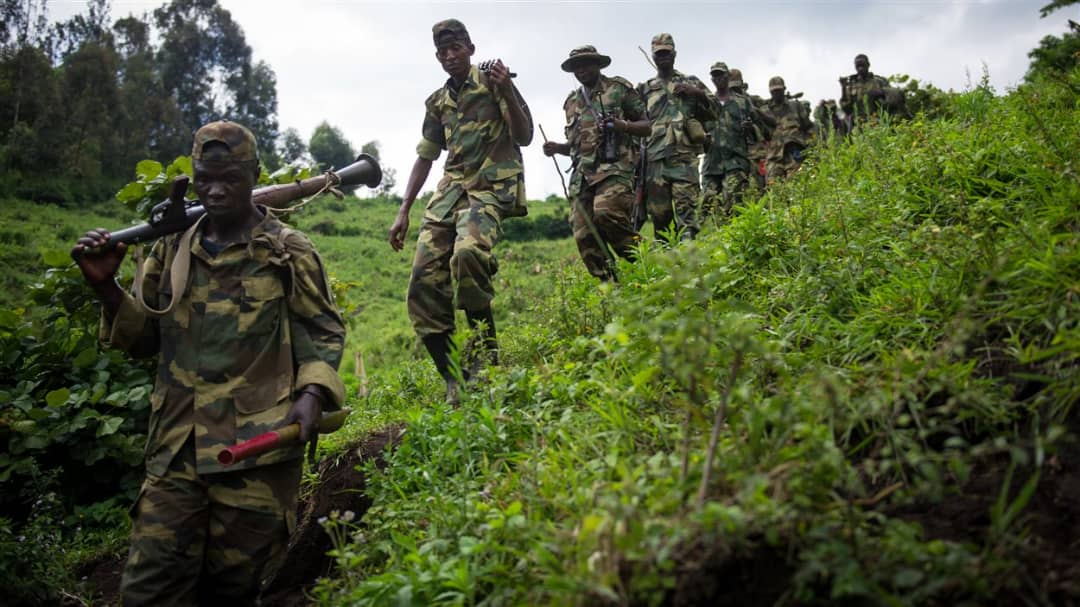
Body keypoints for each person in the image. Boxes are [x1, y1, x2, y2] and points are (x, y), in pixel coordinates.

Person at [71, 120, 346, 605]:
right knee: (147, 592)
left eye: (230, 179)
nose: (215, 191)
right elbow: (143, 340)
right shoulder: (171, 248)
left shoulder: (288, 251)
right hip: (176, 451)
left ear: (254, 175)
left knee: (232, 593)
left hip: (256, 456)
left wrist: (312, 395)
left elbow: (323, 330)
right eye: (205, 179)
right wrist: (106, 288)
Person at [388, 19, 532, 403]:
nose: (450, 56)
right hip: (449, 196)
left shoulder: (494, 82)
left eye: (456, 48)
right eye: (443, 51)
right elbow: (425, 156)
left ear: (470, 48)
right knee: (422, 283)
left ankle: (486, 353)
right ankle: (453, 377)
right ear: (437, 57)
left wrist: (507, 88)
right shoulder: (438, 102)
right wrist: (403, 211)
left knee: (468, 254)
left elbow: (525, 136)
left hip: (489, 190)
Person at [543, 45, 650, 281]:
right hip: (582, 175)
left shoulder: (618, 89)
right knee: (583, 233)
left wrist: (623, 126)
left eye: (586, 63)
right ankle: (610, 285)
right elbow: (578, 146)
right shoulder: (571, 102)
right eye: (576, 66)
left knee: (607, 214)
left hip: (615, 168)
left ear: (598, 64)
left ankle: (650, 262)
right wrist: (558, 148)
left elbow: (646, 126)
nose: (581, 69)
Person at [637, 32, 714, 241]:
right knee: (660, 218)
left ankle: (689, 257)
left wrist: (696, 93)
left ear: (674, 54)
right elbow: (635, 123)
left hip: (684, 159)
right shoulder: (644, 89)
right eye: (659, 53)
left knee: (686, 213)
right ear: (653, 56)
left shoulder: (691, 82)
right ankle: (667, 259)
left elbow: (717, 110)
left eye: (666, 53)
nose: (663, 57)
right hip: (655, 161)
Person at [701, 61, 772, 222]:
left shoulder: (742, 102)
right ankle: (716, 232)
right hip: (712, 162)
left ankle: (734, 232)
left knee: (733, 203)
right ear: (711, 79)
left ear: (728, 76)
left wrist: (750, 129)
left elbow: (762, 130)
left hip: (735, 161)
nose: (718, 78)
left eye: (721, 75)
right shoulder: (707, 103)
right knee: (707, 202)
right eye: (715, 75)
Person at [762, 76, 814, 184]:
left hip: (794, 153)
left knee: (797, 184)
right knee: (774, 187)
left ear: (784, 89)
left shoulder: (795, 106)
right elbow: (762, 135)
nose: (776, 93)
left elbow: (808, 127)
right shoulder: (765, 111)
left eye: (779, 90)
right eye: (774, 91)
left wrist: (810, 149)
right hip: (774, 156)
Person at [729, 67, 770, 192]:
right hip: (735, 154)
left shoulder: (754, 101)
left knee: (762, 187)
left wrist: (753, 113)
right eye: (731, 88)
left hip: (756, 152)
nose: (735, 91)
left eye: (737, 87)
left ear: (743, 85)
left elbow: (768, 124)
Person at [839, 53, 897, 128]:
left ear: (868, 65)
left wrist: (880, 92)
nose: (860, 68)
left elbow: (893, 100)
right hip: (857, 125)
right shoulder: (851, 86)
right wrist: (843, 88)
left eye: (862, 65)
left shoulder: (879, 81)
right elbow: (846, 110)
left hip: (877, 122)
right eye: (858, 66)